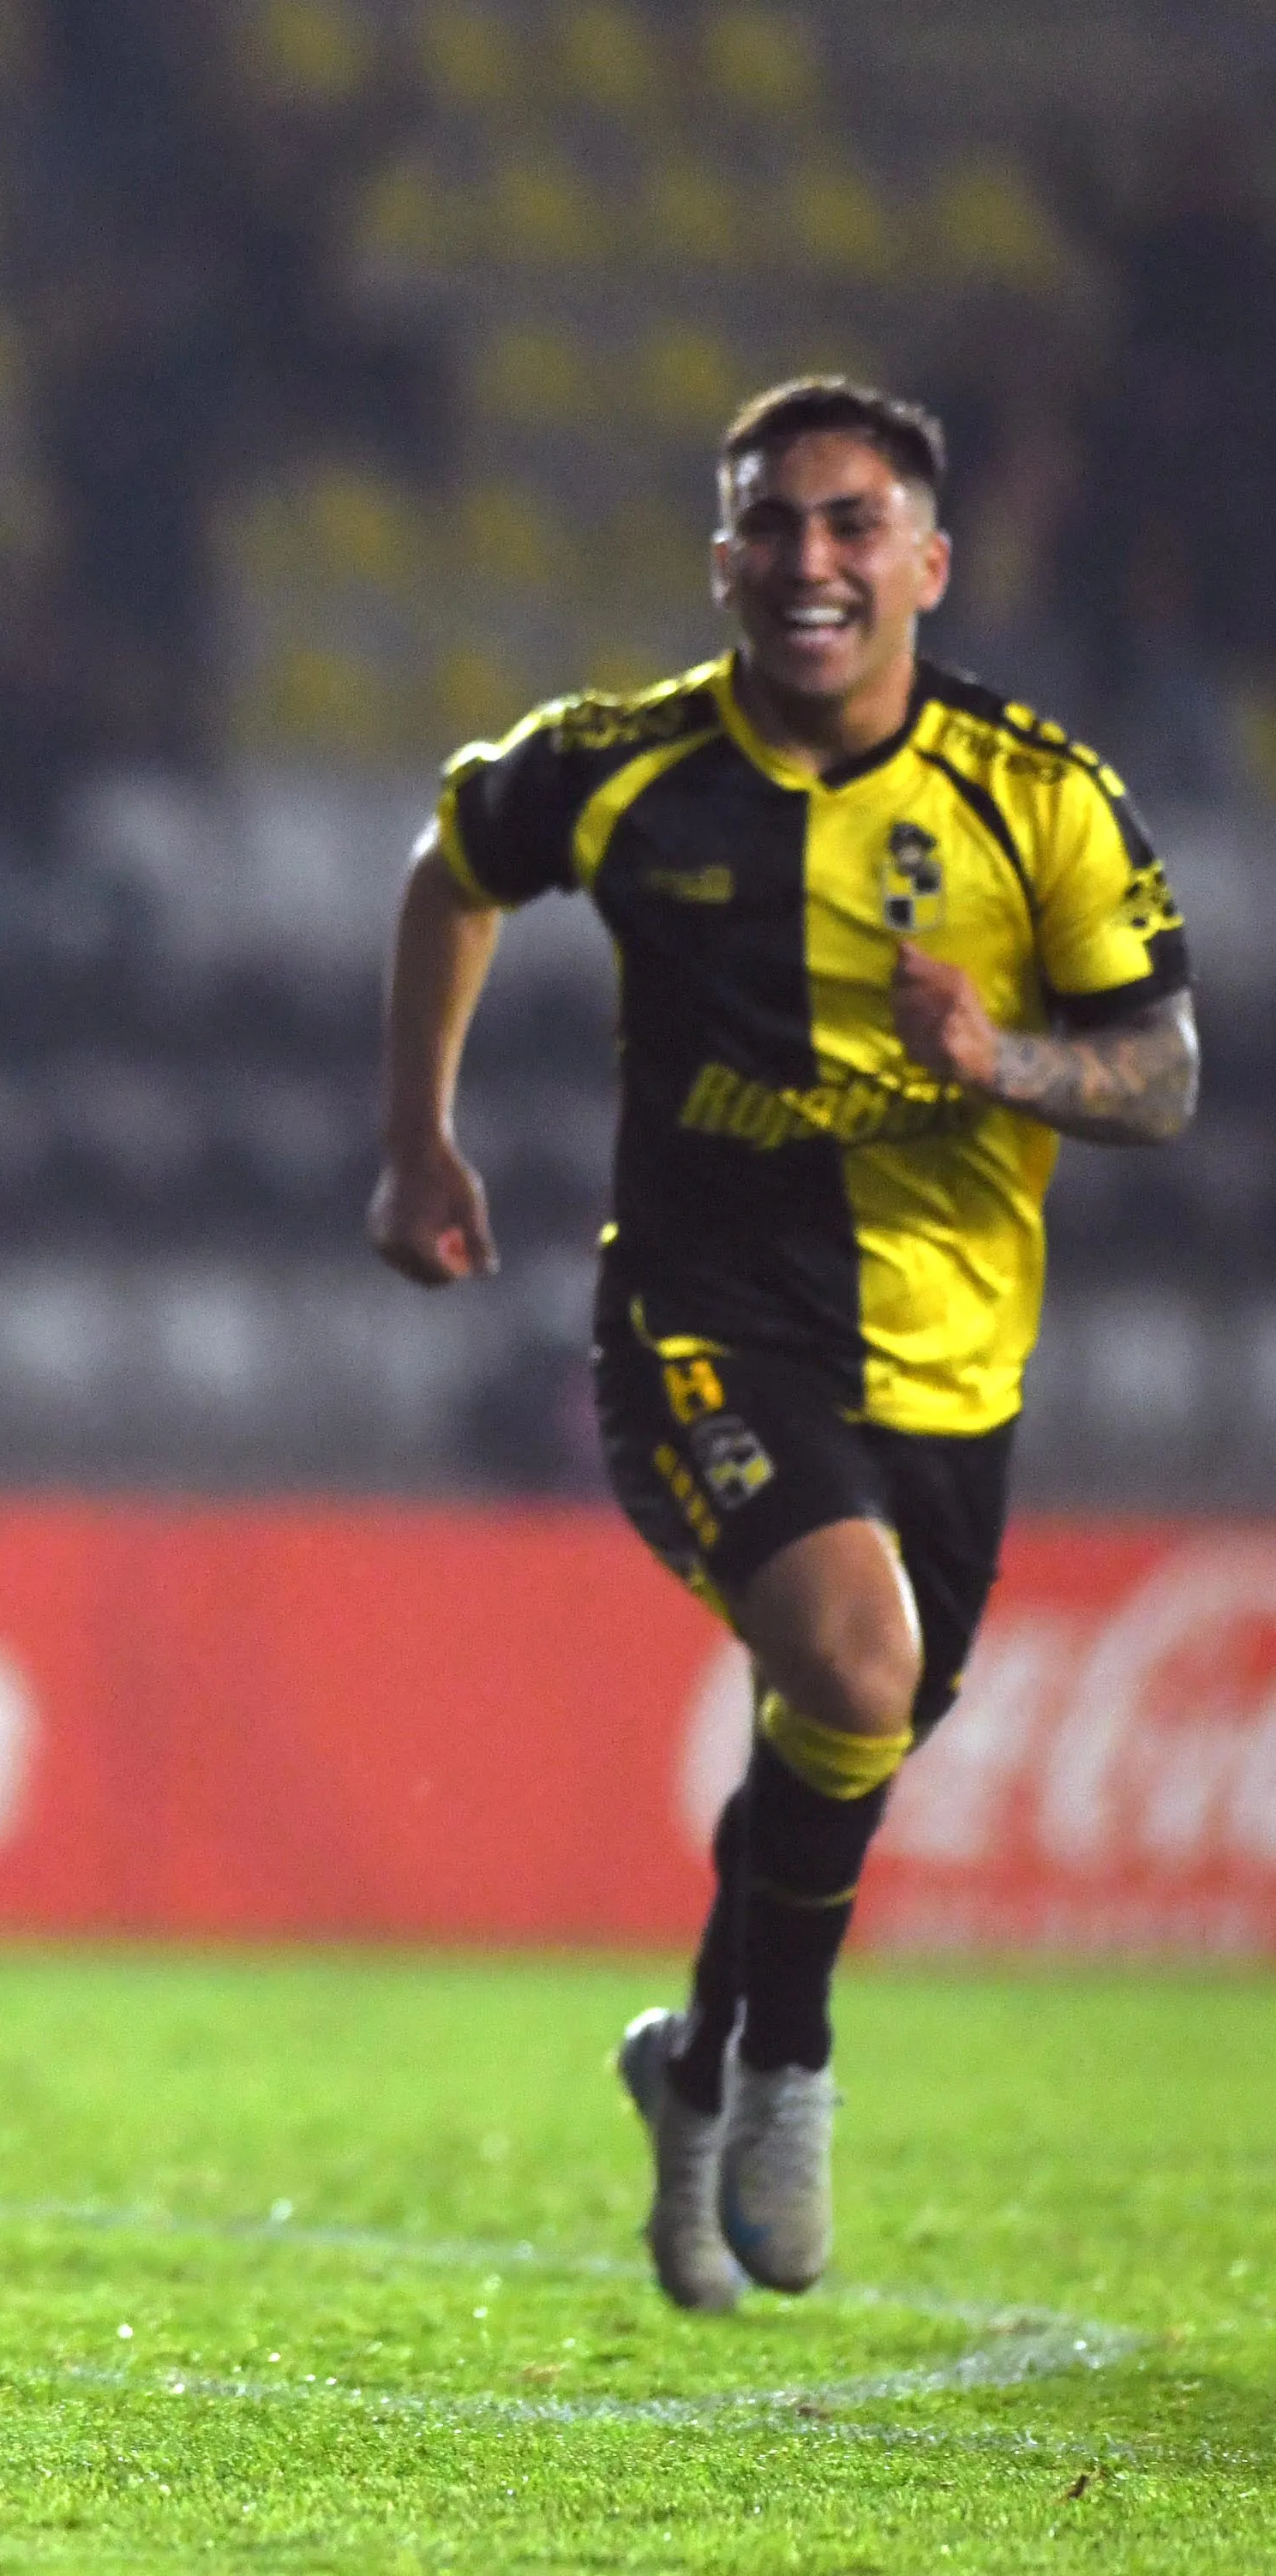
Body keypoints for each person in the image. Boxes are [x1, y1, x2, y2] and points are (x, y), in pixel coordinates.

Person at [368, 379, 1195, 2313]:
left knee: (851, 1715)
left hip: (952, 1363)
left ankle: (697, 2061)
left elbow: (1159, 1070)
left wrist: (999, 1061)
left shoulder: (1038, 794)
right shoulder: (631, 763)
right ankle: (790, 2070)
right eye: (767, 523)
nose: (806, 561)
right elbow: (447, 872)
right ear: (721, 554)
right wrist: (418, 1138)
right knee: (853, 1656)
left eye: (847, 525)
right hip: (696, 1324)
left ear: (926, 559)